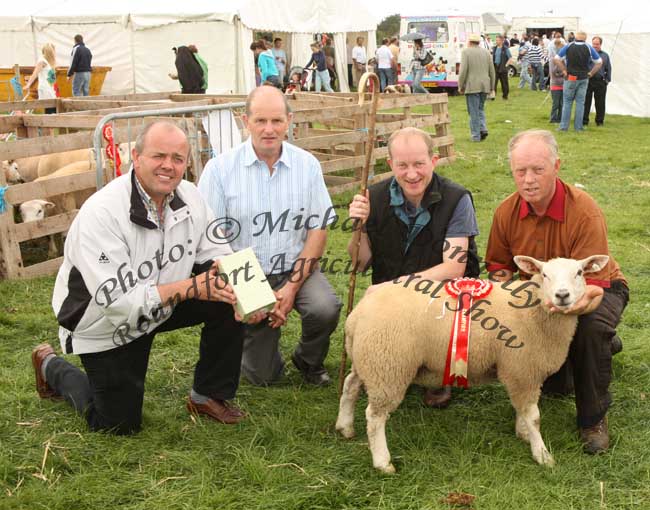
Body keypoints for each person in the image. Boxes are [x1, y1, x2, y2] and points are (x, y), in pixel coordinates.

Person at [31, 121, 263, 435]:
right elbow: (120, 304)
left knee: (226, 291)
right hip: (105, 323)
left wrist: (255, 296)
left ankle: (208, 395)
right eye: (159, 156)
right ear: (136, 158)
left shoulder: (191, 196)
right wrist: (192, 287)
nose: (169, 165)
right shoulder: (102, 212)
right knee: (117, 424)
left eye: (178, 159)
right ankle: (50, 366)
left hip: (162, 302)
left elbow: (218, 248)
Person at [485, 129, 628, 454]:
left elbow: (595, 286)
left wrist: (565, 309)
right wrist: (515, 304)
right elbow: (498, 267)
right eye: (520, 171)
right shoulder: (506, 213)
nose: (528, 179)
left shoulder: (584, 212)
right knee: (555, 386)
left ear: (557, 166)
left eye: (538, 169)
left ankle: (592, 418)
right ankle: (590, 357)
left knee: (590, 329)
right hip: (540, 292)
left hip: (597, 287)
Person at [198, 86, 342, 387]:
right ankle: (260, 345)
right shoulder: (219, 170)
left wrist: (290, 288)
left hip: (295, 266)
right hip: (246, 272)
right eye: (260, 121)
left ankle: (308, 359)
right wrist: (249, 295)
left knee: (325, 307)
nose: (269, 129)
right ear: (245, 120)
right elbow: (213, 239)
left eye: (277, 121)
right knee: (261, 377)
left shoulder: (307, 165)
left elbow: (318, 229)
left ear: (289, 120)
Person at [347, 127, 480, 409]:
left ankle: (438, 373)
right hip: (393, 297)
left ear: (433, 161)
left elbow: (453, 268)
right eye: (402, 165)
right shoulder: (373, 197)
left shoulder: (457, 199)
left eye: (419, 164)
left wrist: (394, 287)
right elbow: (359, 262)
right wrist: (359, 226)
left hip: (442, 295)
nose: (411, 174)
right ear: (390, 164)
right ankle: (398, 363)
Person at [554, 31, 602, 132]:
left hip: (571, 77)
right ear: (585, 38)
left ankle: (563, 127)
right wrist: (591, 73)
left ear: (575, 37)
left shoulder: (569, 46)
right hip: (584, 78)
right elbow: (599, 62)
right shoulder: (588, 47)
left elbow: (556, 59)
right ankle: (578, 128)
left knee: (567, 102)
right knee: (580, 103)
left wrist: (564, 70)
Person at [458, 33, 495, 142]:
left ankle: (476, 135)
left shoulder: (466, 52)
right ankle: (483, 128)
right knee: (480, 108)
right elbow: (492, 71)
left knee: (473, 111)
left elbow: (463, 71)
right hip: (485, 85)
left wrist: (460, 85)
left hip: (472, 85)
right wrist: (492, 87)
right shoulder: (486, 52)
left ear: (469, 42)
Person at [583, 36, 611, 127]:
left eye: (597, 44)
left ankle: (599, 121)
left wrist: (607, 80)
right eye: (594, 44)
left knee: (600, 102)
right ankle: (584, 121)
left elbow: (608, 68)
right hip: (588, 81)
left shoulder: (605, 55)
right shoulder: (587, 54)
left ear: (600, 44)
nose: (595, 46)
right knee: (586, 101)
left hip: (600, 82)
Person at [23, 43, 58, 114]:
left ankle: (50, 123)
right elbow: (35, 73)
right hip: (45, 88)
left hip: (50, 88)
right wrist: (28, 84)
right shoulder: (42, 61)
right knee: (50, 108)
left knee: (52, 108)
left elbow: (51, 77)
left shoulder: (48, 61)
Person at [549, 38, 566, 123]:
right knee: (555, 103)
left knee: (561, 103)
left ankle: (560, 118)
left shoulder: (564, 60)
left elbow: (566, 71)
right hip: (555, 84)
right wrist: (561, 68)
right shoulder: (553, 59)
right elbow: (553, 72)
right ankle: (553, 118)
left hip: (563, 84)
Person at [493, 35, 512, 100]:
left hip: (503, 68)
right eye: (496, 40)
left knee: (504, 83)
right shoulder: (494, 48)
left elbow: (510, 58)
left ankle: (505, 96)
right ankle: (493, 95)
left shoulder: (505, 48)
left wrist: (506, 65)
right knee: (494, 82)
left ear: (501, 41)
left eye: (498, 40)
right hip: (495, 67)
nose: (496, 41)